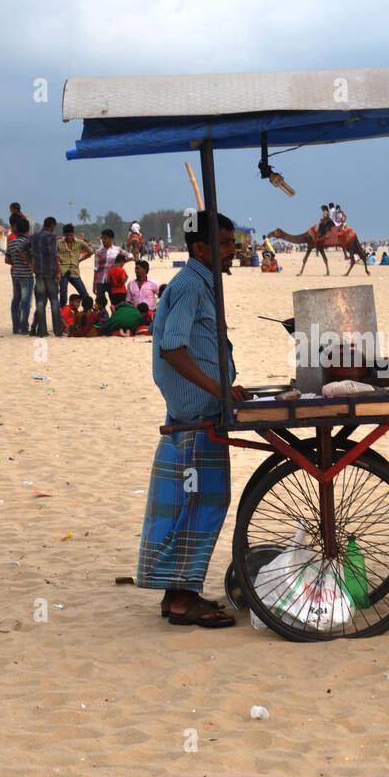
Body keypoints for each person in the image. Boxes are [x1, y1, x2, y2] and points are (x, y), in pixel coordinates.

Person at [138, 211, 249, 628]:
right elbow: (172, 348)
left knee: (190, 501)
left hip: (201, 409)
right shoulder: (189, 286)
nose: (231, 251)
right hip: (197, 413)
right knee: (204, 500)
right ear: (200, 248)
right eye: (222, 244)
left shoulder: (204, 285)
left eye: (231, 242)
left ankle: (177, 594)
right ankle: (183, 599)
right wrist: (219, 389)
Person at [29, 216, 65, 338]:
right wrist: (59, 272)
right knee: (54, 300)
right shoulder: (51, 236)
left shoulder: (34, 236)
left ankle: (42, 331)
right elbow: (54, 254)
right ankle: (57, 331)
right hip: (50, 272)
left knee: (40, 301)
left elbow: (21, 249)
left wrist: (30, 264)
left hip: (38, 272)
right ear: (52, 226)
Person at [6, 215, 35, 334]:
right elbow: (32, 258)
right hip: (26, 275)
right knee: (26, 302)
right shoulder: (27, 242)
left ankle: (15, 327)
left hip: (15, 274)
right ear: (28, 230)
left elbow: (7, 260)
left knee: (16, 300)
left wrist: (16, 263)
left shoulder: (11, 242)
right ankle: (23, 328)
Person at [57, 224, 94, 306]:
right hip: (63, 272)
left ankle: (87, 309)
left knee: (83, 293)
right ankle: (63, 312)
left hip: (75, 272)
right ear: (64, 234)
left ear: (73, 233)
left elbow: (90, 251)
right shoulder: (59, 243)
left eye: (70, 235)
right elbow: (53, 255)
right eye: (67, 235)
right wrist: (58, 260)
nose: (69, 237)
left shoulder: (79, 242)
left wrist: (80, 260)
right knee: (63, 295)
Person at [92, 229, 123, 312]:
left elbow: (130, 256)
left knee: (114, 302)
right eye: (102, 238)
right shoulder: (98, 252)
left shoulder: (118, 250)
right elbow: (96, 268)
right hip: (100, 281)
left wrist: (119, 264)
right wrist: (94, 283)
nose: (103, 240)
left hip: (112, 281)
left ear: (111, 239)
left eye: (105, 238)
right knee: (100, 303)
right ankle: (102, 320)